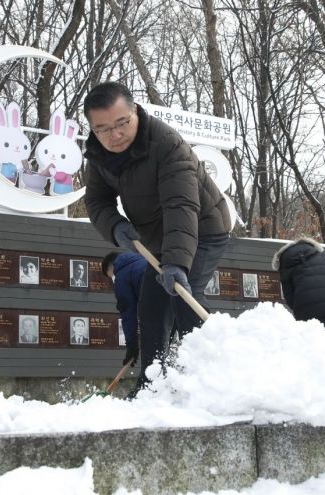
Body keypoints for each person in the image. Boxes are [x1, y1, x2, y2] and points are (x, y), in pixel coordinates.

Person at [83, 82, 231, 396]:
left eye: (122, 123)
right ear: (93, 130)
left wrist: (177, 263)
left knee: (181, 294)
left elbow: (181, 206)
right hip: (158, 242)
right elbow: (97, 201)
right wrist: (114, 226)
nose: (115, 134)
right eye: (103, 129)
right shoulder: (98, 156)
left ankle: (216, 379)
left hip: (202, 228)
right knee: (151, 307)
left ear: (135, 112)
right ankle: (151, 384)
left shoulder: (166, 143)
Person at [272, 237, 325, 340]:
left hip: (305, 309)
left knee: (312, 344)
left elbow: (289, 298)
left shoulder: (285, 266)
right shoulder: (324, 258)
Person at [102, 251, 148, 365]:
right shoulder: (145, 261)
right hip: (175, 305)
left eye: (111, 276)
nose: (113, 280)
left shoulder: (122, 275)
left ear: (112, 267)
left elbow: (128, 314)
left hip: (154, 308)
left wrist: (132, 347)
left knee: (153, 357)